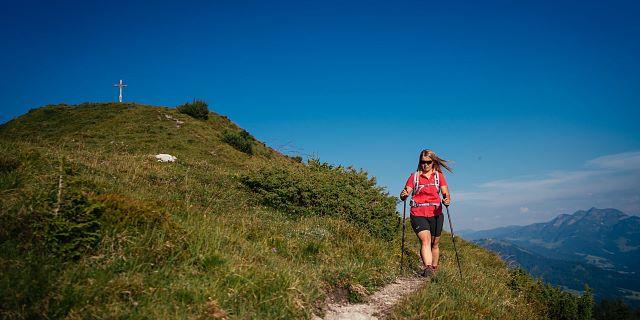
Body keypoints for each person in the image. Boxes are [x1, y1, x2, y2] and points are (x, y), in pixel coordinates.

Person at [400, 149, 452, 278]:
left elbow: (446, 192)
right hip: (418, 213)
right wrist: (404, 194)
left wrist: (447, 200)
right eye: (423, 162)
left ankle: (434, 268)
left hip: (436, 213)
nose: (426, 165)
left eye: (428, 162)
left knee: (434, 243)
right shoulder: (414, 177)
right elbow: (406, 191)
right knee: (426, 241)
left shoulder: (439, 176)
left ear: (433, 162)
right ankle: (428, 268)